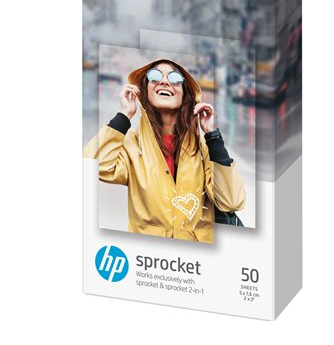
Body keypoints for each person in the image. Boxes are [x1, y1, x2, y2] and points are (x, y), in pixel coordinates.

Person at [84, 58, 246, 243]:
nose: (164, 81)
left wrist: (213, 136)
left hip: (197, 257)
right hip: (149, 255)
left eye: (175, 78)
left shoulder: (204, 148)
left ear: (186, 94)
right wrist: (124, 115)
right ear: (145, 91)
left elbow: (231, 201)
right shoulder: (133, 144)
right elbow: (93, 165)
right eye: (154, 76)